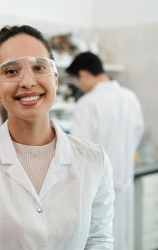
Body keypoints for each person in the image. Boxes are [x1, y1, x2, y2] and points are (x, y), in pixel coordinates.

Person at [0, 26, 115, 250]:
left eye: (39, 67)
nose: (28, 82)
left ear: (55, 79)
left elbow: (99, 241)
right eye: (11, 71)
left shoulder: (94, 160)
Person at [67, 52, 144, 250]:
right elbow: (137, 134)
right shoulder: (130, 97)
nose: (78, 86)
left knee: (99, 241)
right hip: (125, 182)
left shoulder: (87, 103)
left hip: (97, 190)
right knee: (122, 237)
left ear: (83, 74)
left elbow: (78, 151)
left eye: (76, 80)